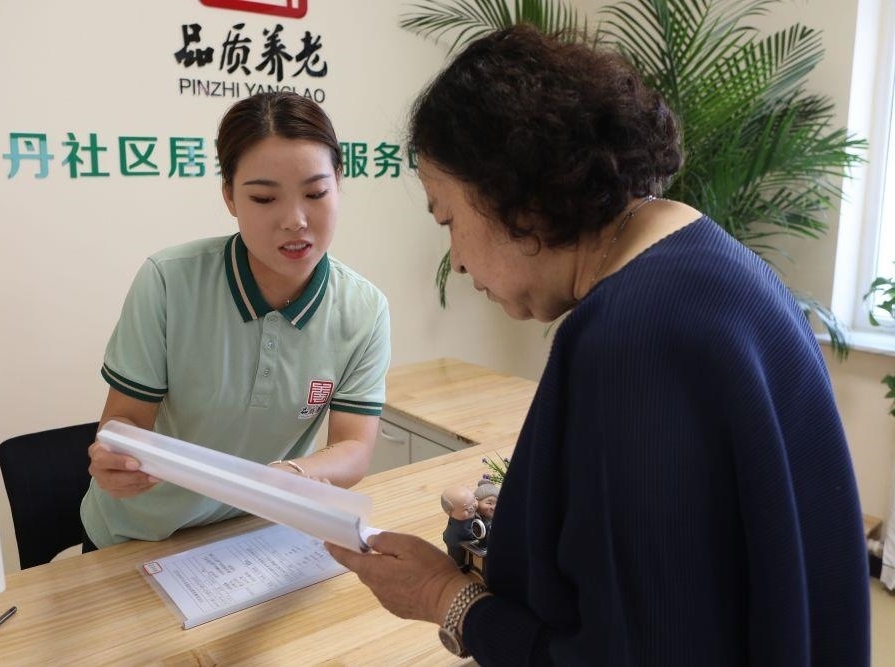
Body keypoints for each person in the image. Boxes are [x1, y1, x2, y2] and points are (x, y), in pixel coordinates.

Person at [326, 24, 869, 665]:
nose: (460, 261)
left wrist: (444, 597)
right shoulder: (714, 261)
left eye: (448, 219)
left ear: (511, 191)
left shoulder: (630, 340)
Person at [80, 92, 391, 549]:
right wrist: (116, 457)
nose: (295, 221)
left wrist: (293, 475)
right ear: (229, 196)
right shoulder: (168, 281)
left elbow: (355, 447)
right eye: (264, 197)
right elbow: (124, 421)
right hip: (140, 536)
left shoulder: (364, 309)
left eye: (315, 193)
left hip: (256, 532)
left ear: (338, 184)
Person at [440, 485, 479, 569]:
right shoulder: (460, 526)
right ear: (450, 513)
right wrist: (479, 535)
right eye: (466, 509)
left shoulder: (462, 516)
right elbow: (469, 535)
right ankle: (459, 567)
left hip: (458, 538)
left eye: (474, 501)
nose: (472, 508)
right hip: (455, 542)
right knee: (457, 556)